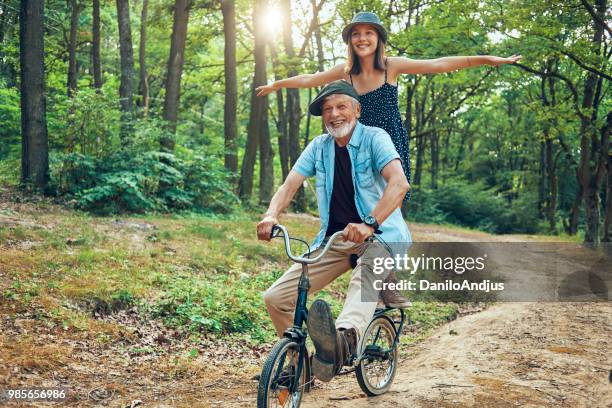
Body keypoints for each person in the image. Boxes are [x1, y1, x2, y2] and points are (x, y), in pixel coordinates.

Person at [257, 11, 520, 307]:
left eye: (369, 33)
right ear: (350, 41)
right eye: (357, 34)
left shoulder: (391, 67)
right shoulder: (345, 73)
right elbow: (310, 79)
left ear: (379, 39)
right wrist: (278, 84)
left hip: (386, 147)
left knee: (387, 210)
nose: (363, 39)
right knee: (359, 201)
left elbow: (439, 64)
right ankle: (367, 269)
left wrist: (487, 59)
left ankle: (387, 280)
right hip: (356, 149)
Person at [256, 80, 411, 382]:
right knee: (276, 297)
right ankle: (303, 364)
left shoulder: (375, 138)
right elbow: (289, 185)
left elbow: (399, 184)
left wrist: (369, 223)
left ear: (356, 109)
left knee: (366, 275)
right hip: (336, 240)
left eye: (341, 106)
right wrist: (271, 214)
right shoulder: (319, 147)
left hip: (383, 236)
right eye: (327, 109)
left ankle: (343, 341)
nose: (334, 114)